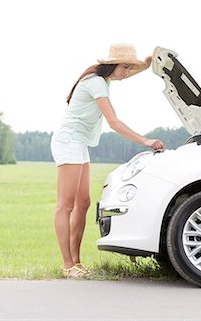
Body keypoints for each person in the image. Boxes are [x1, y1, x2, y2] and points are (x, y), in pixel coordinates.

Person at [51, 43, 165, 278]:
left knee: (83, 203)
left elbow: (127, 75)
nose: (126, 72)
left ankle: (77, 262)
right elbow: (113, 122)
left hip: (79, 144)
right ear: (114, 65)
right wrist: (145, 141)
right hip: (68, 141)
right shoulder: (96, 82)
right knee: (66, 205)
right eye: (125, 67)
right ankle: (67, 265)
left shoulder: (105, 79)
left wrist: (144, 65)